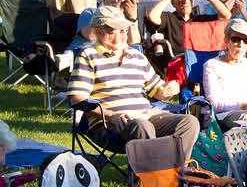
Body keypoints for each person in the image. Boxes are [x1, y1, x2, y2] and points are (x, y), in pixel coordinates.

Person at [65, 9, 201, 166]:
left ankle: (175, 173)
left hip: (146, 116)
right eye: (119, 29)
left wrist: (168, 89)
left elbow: (156, 90)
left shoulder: (136, 56)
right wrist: (111, 115)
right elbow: (77, 99)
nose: (124, 32)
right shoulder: (88, 55)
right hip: (109, 124)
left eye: (125, 28)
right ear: (100, 31)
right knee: (142, 126)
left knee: (189, 122)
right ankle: (151, 182)